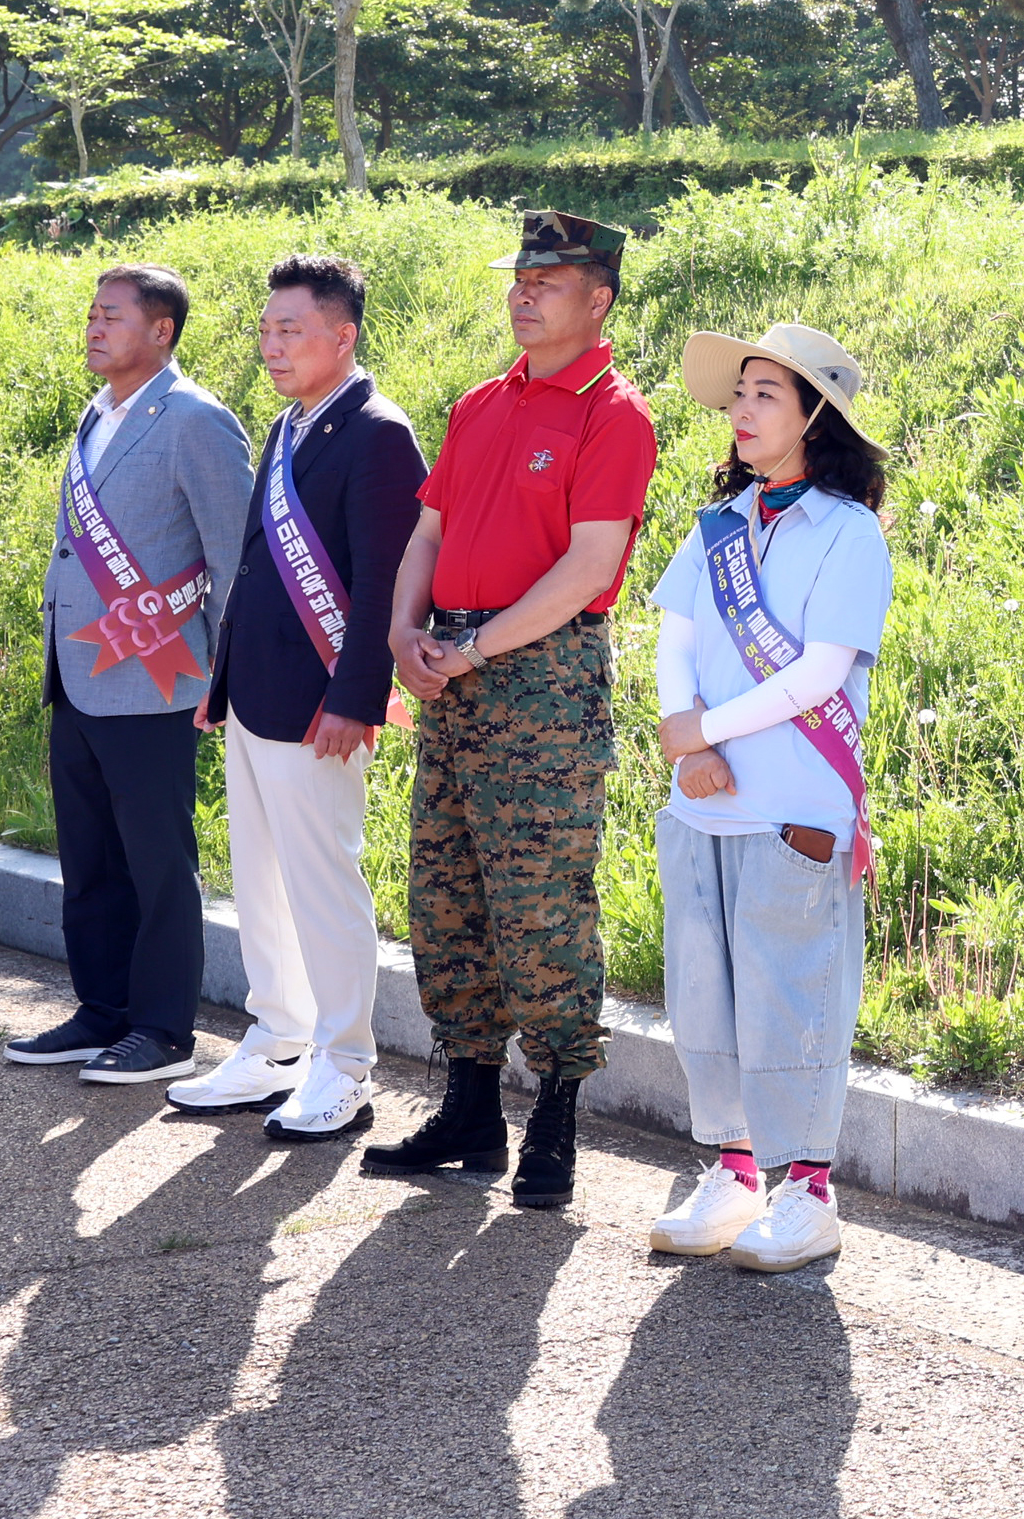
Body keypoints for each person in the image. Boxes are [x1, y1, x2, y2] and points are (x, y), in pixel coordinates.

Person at [364, 211, 656, 1211]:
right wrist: (404, 633)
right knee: (447, 891)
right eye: (519, 277)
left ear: (600, 296)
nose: (524, 293)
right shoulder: (482, 403)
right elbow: (428, 530)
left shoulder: (613, 413)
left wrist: (476, 646)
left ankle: (557, 1116)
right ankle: (470, 1106)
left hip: (541, 675)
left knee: (539, 898)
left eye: (550, 279)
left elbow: (588, 565)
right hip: (450, 655)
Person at [640, 322, 891, 1273]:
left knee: (795, 995)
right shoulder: (719, 526)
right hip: (701, 801)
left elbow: (820, 672)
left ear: (814, 417)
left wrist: (703, 732)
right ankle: (733, 1171)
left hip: (793, 802)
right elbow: (673, 635)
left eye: (766, 396)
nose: (742, 411)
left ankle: (808, 1191)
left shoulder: (850, 532)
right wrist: (679, 728)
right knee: (704, 996)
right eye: (739, 392)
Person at [185, 254, 424, 1143]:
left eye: (290, 330)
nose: (272, 346)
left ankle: (345, 1061)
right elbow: (251, 570)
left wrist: (356, 697)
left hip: (322, 700)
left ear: (342, 334)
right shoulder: (290, 425)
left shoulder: (378, 432)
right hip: (254, 692)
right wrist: (220, 680)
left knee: (323, 881)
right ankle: (276, 1036)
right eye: (266, 329)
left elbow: (385, 584)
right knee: (259, 877)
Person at [4, 265, 252, 1087]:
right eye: (91, 314)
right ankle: (100, 1010)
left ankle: (162, 1029)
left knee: (156, 863)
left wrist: (223, 678)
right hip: (76, 670)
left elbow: (232, 560)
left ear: (162, 331)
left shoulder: (196, 420)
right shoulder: (98, 413)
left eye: (111, 315)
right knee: (90, 859)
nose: (94, 326)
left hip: (157, 678)